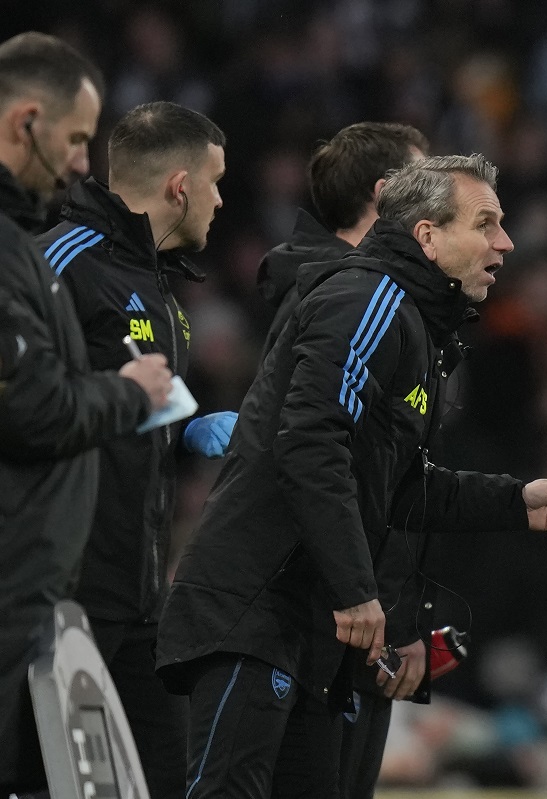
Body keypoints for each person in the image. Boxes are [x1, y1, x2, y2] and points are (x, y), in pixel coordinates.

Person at [155, 154, 547, 798]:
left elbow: (392, 488)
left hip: (306, 626)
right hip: (255, 615)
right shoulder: (372, 297)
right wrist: (355, 589)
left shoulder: (417, 326)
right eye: (486, 223)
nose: (505, 242)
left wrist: (513, 500)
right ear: (428, 236)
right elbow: (309, 444)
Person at [34, 99, 234, 799]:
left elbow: (120, 404)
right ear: (179, 185)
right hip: (65, 590)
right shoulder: (57, 261)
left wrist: (187, 429)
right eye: (214, 182)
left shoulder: (157, 282)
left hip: (140, 592)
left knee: (166, 779)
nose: (219, 200)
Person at [0, 32, 173, 796]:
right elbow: (33, 408)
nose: (80, 163)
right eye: (74, 139)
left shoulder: (22, 246)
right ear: (24, 121)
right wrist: (130, 391)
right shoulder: (18, 251)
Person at [256, 120, 430, 799]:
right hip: (331, 618)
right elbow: (333, 465)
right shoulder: (355, 299)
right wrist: (388, 612)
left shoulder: (370, 298)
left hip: (352, 615)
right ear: (388, 196)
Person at [258, 121, 429, 356]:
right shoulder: (333, 294)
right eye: (424, 185)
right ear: (385, 194)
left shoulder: (360, 286)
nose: (434, 202)